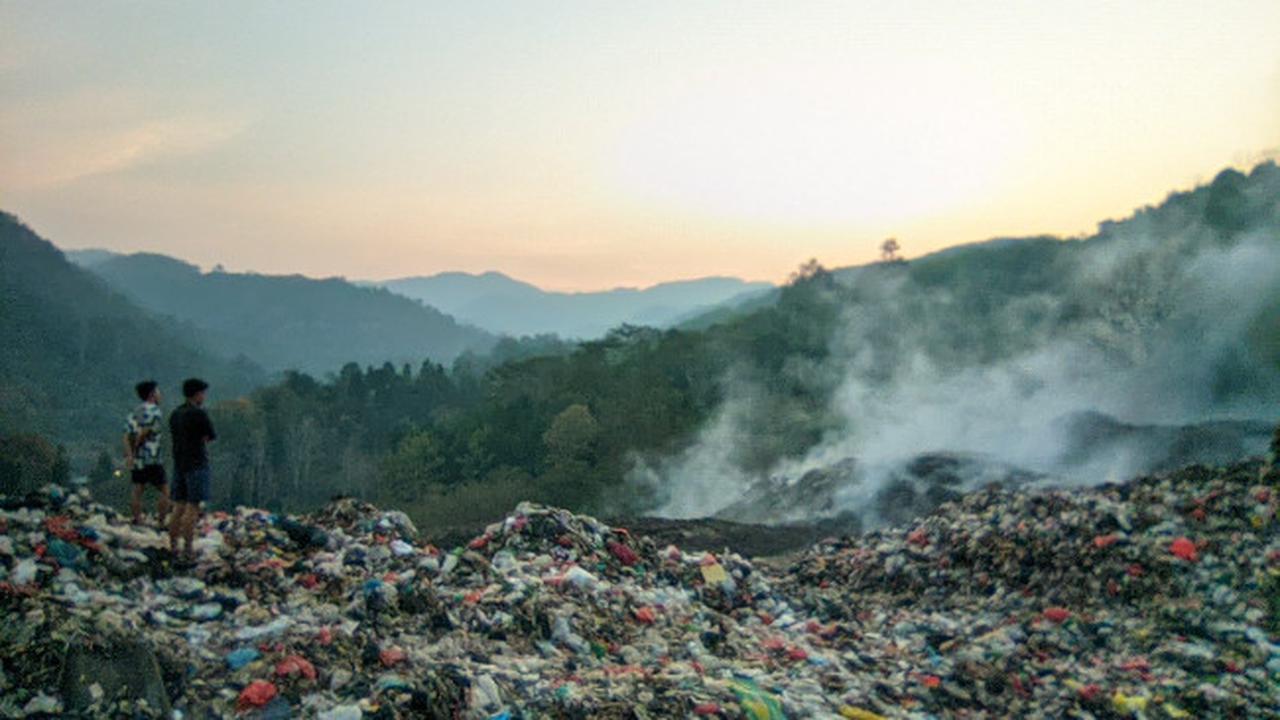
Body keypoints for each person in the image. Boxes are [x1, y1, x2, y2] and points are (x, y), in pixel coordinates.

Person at [169, 377, 216, 562]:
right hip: (197, 463)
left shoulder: (175, 414)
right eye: (203, 393)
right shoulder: (199, 414)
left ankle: (173, 545)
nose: (204, 397)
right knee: (192, 507)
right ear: (197, 394)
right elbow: (209, 436)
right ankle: (188, 548)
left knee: (178, 506)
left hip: (179, 463)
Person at [123, 380, 169, 526]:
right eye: (158, 392)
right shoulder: (155, 411)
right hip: (152, 457)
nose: (160, 395)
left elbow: (126, 435)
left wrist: (130, 454)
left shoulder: (135, 411)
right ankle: (161, 521)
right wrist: (138, 444)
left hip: (138, 459)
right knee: (165, 490)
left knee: (137, 490)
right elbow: (145, 432)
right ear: (152, 394)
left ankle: (138, 519)